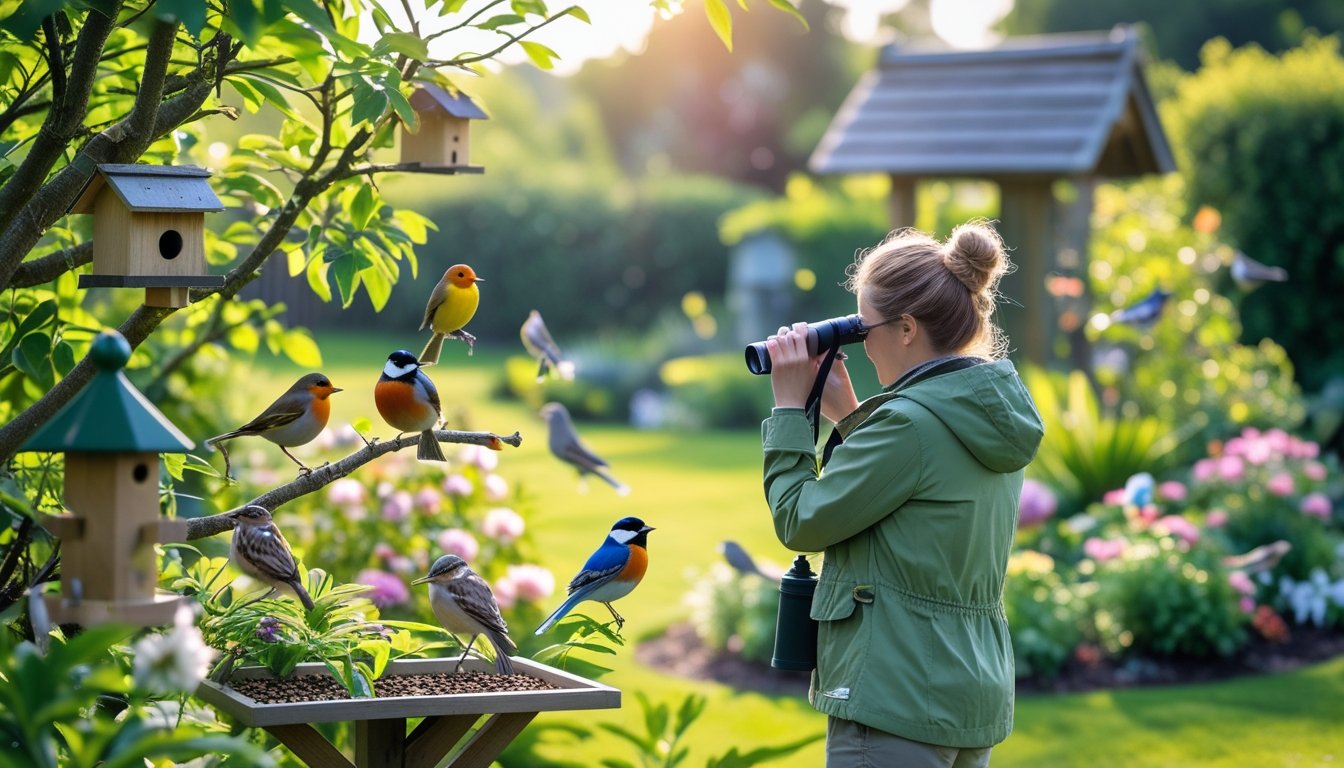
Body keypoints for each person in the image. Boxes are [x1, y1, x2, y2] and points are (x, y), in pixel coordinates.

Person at [761, 221, 1044, 767]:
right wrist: (850, 418)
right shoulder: (985, 413)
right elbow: (916, 496)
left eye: (864, 331)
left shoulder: (909, 427)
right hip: (965, 695)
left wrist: (790, 413)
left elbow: (799, 520)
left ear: (908, 328)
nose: (863, 348)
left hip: (894, 698)